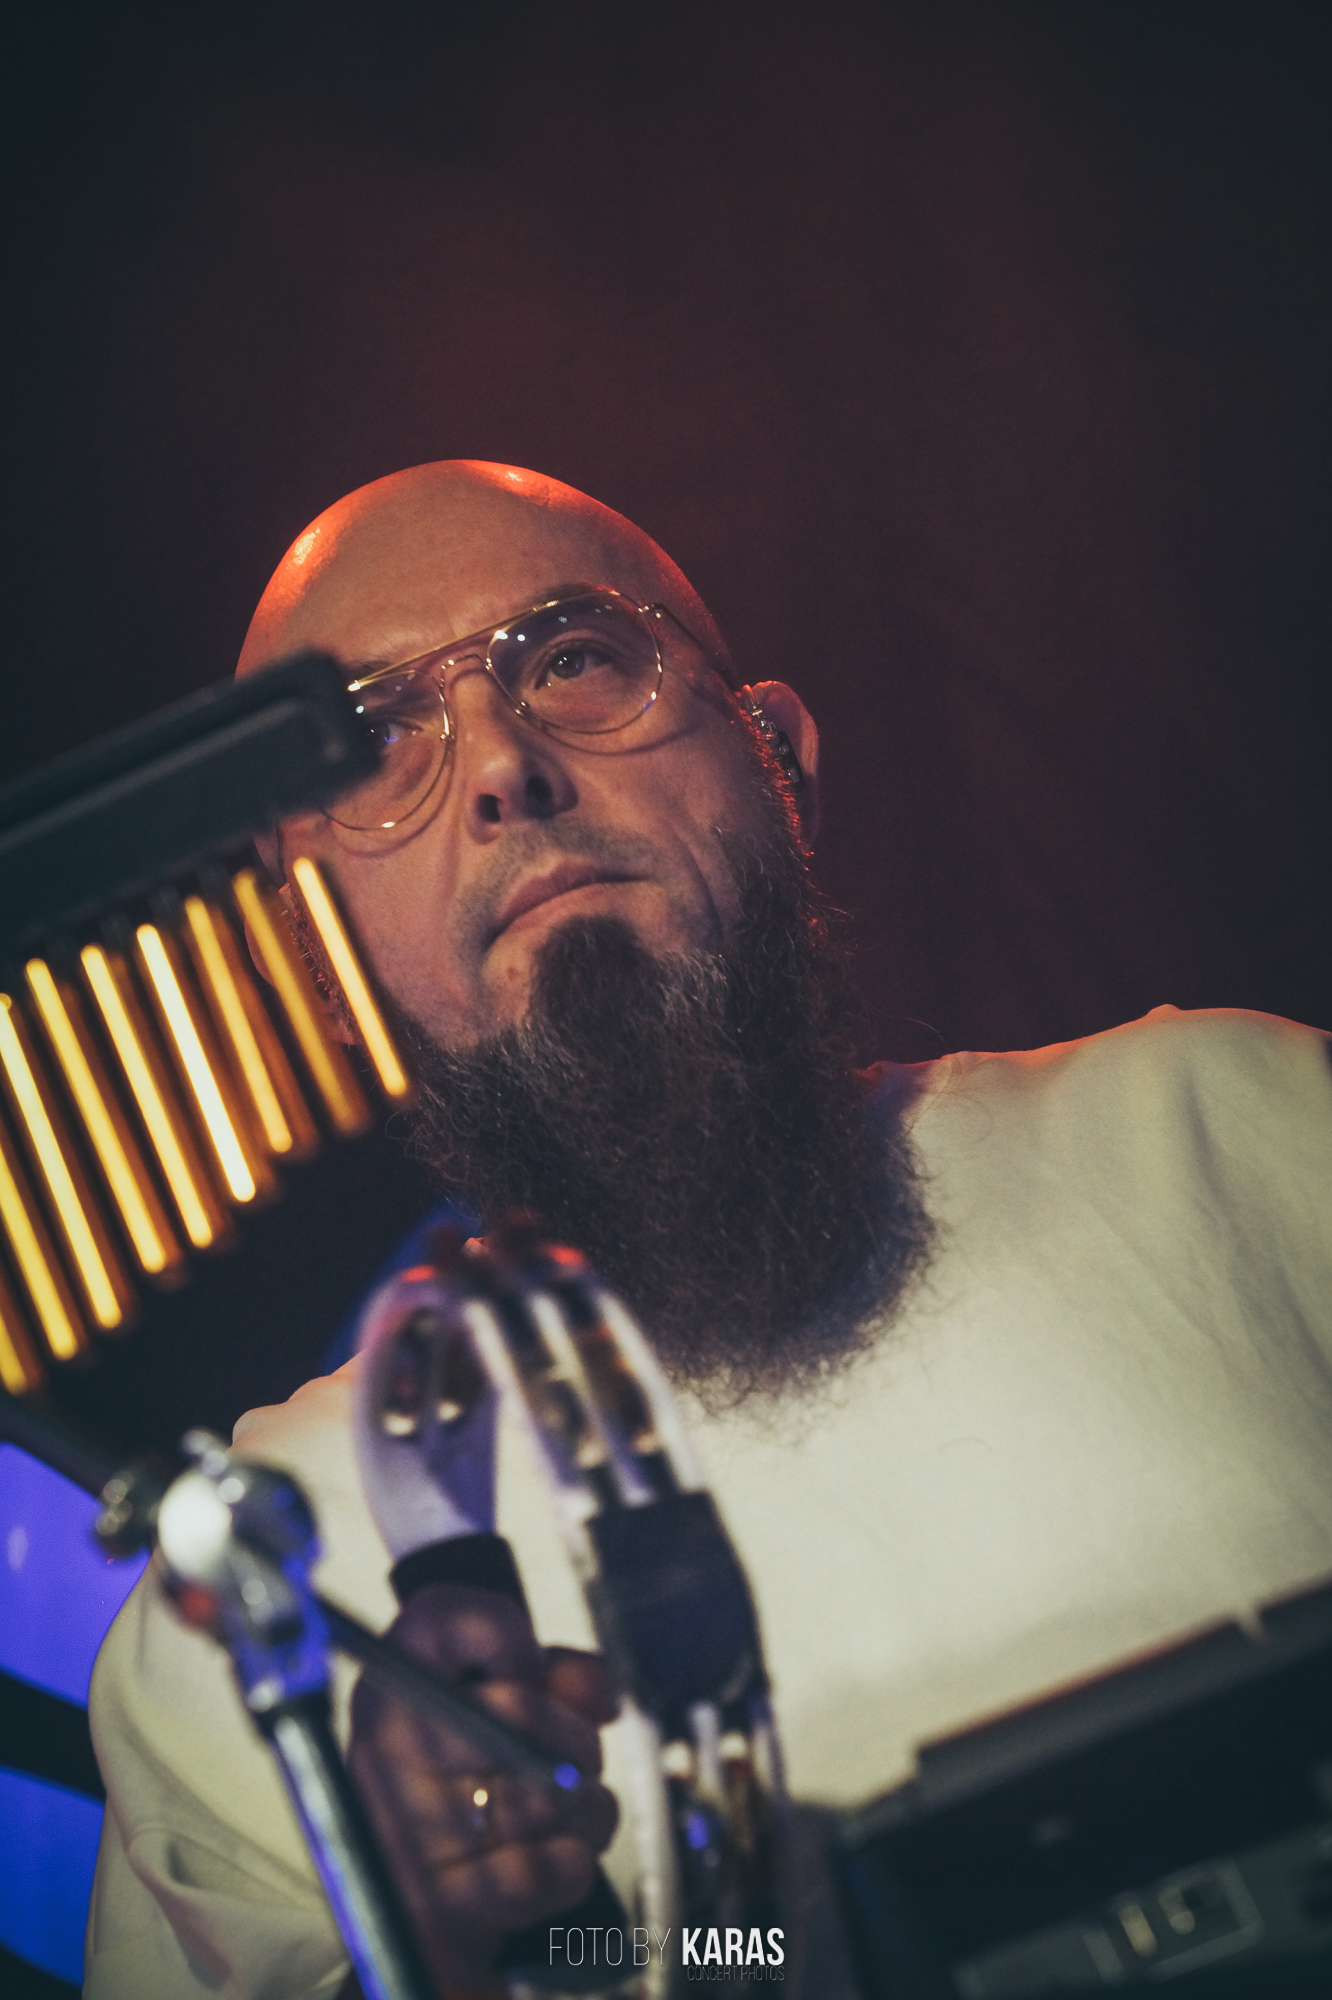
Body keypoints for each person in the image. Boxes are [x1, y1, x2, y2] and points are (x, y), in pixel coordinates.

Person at [85, 462, 1332, 1999]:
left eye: (573, 657)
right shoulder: (264, 1591)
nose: (503, 769)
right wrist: (475, 1950)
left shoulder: (1254, 1133)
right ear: (311, 956)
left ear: (780, 765)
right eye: (378, 740)